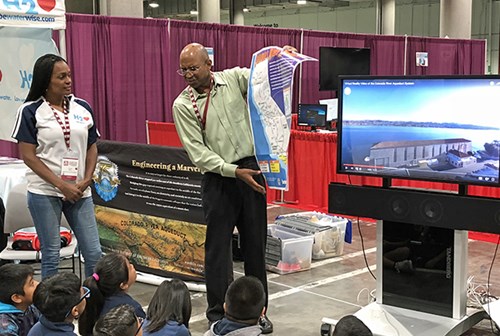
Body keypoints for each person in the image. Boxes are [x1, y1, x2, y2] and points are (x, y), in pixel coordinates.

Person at [172, 42, 285, 334]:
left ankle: (258, 311)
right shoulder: (183, 105)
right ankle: (216, 315)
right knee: (218, 252)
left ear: (209, 64)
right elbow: (198, 153)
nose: (188, 75)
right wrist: (233, 171)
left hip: (252, 169)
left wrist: (279, 57)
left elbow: (262, 79)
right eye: (183, 70)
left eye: (193, 68)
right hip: (219, 177)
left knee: (255, 246)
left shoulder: (234, 78)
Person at [11, 53, 102, 279]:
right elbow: (28, 156)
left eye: (69, 75)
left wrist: (86, 179)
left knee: (94, 253)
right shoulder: (30, 111)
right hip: (45, 192)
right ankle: (52, 312)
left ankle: (91, 307)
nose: (68, 81)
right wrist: (62, 185)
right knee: (52, 254)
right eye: (61, 77)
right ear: (46, 81)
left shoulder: (82, 107)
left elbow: (92, 147)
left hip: (80, 191)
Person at [78, 252, 146, 335]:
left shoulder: (92, 299)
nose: (132, 266)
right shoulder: (132, 309)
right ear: (123, 285)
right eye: (129, 267)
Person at [0, 264, 40, 336]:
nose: (38, 284)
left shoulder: (29, 306)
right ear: (17, 298)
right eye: (31, 283)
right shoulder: (4, 325)